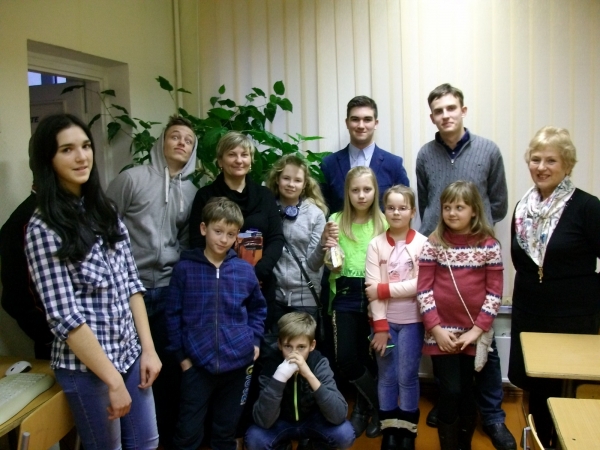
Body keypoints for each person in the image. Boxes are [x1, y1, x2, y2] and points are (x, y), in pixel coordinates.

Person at [25, 113, 161, 450]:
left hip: (130, 354)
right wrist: (112, 381)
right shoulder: (43, 227)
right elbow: (65, 317)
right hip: (87, 369)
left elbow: (132, 284)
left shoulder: (105, 210)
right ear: (48, 160)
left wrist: (148, 349)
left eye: (85, 146)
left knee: (146, 443)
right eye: (67, 150)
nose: (81, 156)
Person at [416, 83, 515, 450]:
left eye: (451, 108)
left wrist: (479, 229)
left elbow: (499, 202)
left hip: (475, 262)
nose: (445, 115)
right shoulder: (425, 154)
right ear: (432, 117)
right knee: (450, 380)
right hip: (439, 258)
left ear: (463, 110)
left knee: (484, 365)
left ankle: (492, 417)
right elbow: (427, 201)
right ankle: (449, 408)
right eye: (438, 111)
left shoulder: (488, 150)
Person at [106, 115, 198, 448]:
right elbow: (104, 225)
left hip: (169, 289)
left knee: (167, 370)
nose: (181, 143)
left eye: (188, 140)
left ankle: (163, 439)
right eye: (175, 136)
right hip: (132, 292)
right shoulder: (131, 179)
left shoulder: (191, 191)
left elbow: (185, 240)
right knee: (131, 370)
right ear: (162, 142)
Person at [508, 126, 600, 447]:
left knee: (567, 398)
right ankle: (537, 442)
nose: (541, 167)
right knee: (536, 393)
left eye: (551, 160)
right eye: (535, 159)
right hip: (530, 314)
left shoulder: (588, 207)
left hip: (572, 320)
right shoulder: (522, 208)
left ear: (567, 165)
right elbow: (522, 263)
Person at [165, 197, 267, 450]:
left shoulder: (244, 270)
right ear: (204, 228)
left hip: (238, 365)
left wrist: (254, 341)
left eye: (230, 234)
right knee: (187, 432)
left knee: (225, 432)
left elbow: (258, 308)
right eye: (218, 231)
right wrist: (182, 358)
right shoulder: (185, 269)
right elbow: (172, 315)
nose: (223, 239)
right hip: (196, 365)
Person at [417, 181, 503, 450]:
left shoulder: (489, 246)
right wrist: (436, 329)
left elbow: (494, 293)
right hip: (441, 332)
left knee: (467, 392)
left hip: (472, 334)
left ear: (474, 210)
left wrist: (476, 331)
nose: (452, 213)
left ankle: (463, 445)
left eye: (459, 207)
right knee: (450, 390)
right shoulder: (434, 243)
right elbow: (424, 290)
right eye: (447, 207)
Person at [189, 131, 283, 330]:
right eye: (232, 154)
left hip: (260, 284)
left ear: (251, 160)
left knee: (260, 342)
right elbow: (197, 241)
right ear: (220, 161)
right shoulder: (206, 196)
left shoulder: (265, 195)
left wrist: (256, 274)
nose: (239, 160)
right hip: (219, 285)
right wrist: (230, 276)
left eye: (244, 155)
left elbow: (276, 238)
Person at [324, 166, 387, 439]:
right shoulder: (336, 220)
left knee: (369, 356)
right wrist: (330, 254)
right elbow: (329, 261)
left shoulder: (383, 222)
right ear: (347, 193)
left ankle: (362, 411)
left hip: (375, 293)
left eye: (367, 189)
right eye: (355, 190)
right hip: (345, 292)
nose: (361, 195)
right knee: (346, 358)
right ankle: (381, 407)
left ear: (375, 191)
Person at [365, 185, 428, 450]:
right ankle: (390, 429)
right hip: (384, 324)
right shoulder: (375, 244)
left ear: (412, 212)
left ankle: (408, 431)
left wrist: (385, 289)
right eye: (391, 207)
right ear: (384, 211)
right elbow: (371, 287)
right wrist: (380, 327)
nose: (396, 212)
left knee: (407, 376)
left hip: (413, 322)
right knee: (387, 376)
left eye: (403, 208)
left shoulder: (423, 243)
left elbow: (421, 284)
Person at [245, 312, 355, 450]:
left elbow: (338, 415)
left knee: (345, 434)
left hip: (313, 421)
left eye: (301, 347)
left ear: (312, 345)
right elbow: (263, 421)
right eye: (288, 346)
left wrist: (309, 375)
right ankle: (283, 446)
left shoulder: (319, 363)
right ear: (279, 344)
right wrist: (279, 378)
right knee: (254, 439)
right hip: (281, 422)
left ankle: (313, 446)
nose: (294, 354)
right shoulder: (271, 365)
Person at [1, 142, 53, 359]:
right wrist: (49, 336)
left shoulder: (79, 211)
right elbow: (16, 296)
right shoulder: (24, 221)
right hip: (58, 345)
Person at [265, 154, 330, 326]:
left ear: (305, 184)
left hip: (305, 299)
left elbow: (314, 264)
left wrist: (323, 244)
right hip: (273, 297)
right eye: (286, 178)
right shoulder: (266, 209)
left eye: (297, 180)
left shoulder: (315, 214)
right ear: (277, 179)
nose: (291, 184)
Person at [320, 95, 410, 214]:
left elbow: (405, 209)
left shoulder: (394, 165)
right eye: (355, 119)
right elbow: (321, 209)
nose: (361, 126)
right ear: (347, 123)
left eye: (367, 119)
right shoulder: (328, 165)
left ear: (376, 123)